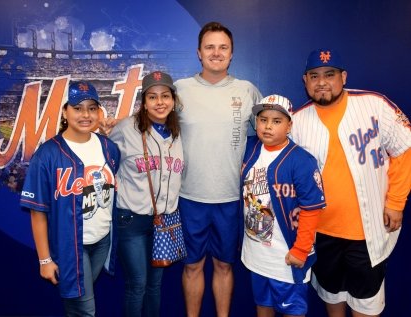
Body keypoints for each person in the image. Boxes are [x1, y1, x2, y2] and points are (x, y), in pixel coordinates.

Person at [291, 48, 411, 317]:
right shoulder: (296, 122)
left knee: (366, 306)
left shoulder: (374, 105)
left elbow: (405, 148)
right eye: (314, 76)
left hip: (366, 233)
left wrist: (395, 202)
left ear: (343, 77)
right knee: (332, 300)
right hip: (321, 233)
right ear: (305, 81)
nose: (322, 82)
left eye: (330, 74)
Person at [174, 21, 262, 317]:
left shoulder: (247, 90)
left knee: (225, 265)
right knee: (192, 265)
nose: (216, 52)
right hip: (188, 196)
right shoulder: (179, 90)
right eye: (209, 47)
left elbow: (270, 134)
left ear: (232, 53)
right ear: (199, 53)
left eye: (223, 47)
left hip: (230, 198)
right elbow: (151, 129)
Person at [20, 81, 120, 317]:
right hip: (70, 247)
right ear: (65, 111)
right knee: (85, 309)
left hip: (102, 241)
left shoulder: (109, 148)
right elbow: (38, 212)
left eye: (92, 108)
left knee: (77, 302)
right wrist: (45, 260)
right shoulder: (47, 154)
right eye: (77, 107)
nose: (86, 114)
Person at [241, 94, 325, 317]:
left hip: (287, 257)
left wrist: (301, 249)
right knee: (263, 304)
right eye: (263, 119)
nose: (268, 126)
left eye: (276, 121)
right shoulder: (250, 149)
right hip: (256, 253)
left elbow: (312, 209)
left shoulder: (302, 160)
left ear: (289, 125)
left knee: (293, 310)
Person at [108, 71, 183, 317]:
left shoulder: (179, 132)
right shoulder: (125, 129)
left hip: (163, 220)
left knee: (155, 285)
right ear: (144, 101)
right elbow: (103, 160)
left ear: (173, 99)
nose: (159, 102)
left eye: (165, 96)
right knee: (137, 284)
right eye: (152, 97)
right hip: (131, 219)